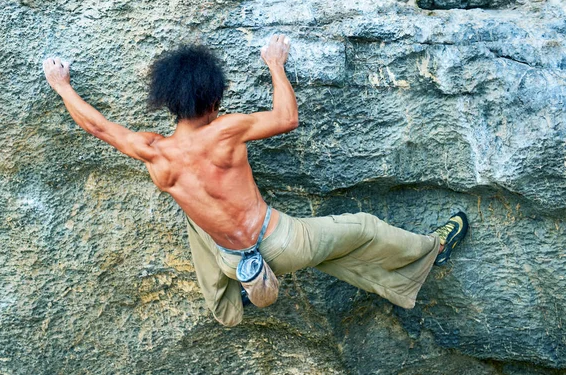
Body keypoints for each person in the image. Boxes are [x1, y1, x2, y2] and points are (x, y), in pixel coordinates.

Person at [43, 34, 469, 327]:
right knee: (363, 230)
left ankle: (233, 295)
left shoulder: (155, 152)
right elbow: (287, 118)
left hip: (229, 257)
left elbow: (100, 128)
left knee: (193, 210)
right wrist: (275, 64)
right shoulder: (226, 130)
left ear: (170, 103)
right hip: (280, 243)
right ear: (213, 98)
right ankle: (433, 250)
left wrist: (62, 86)